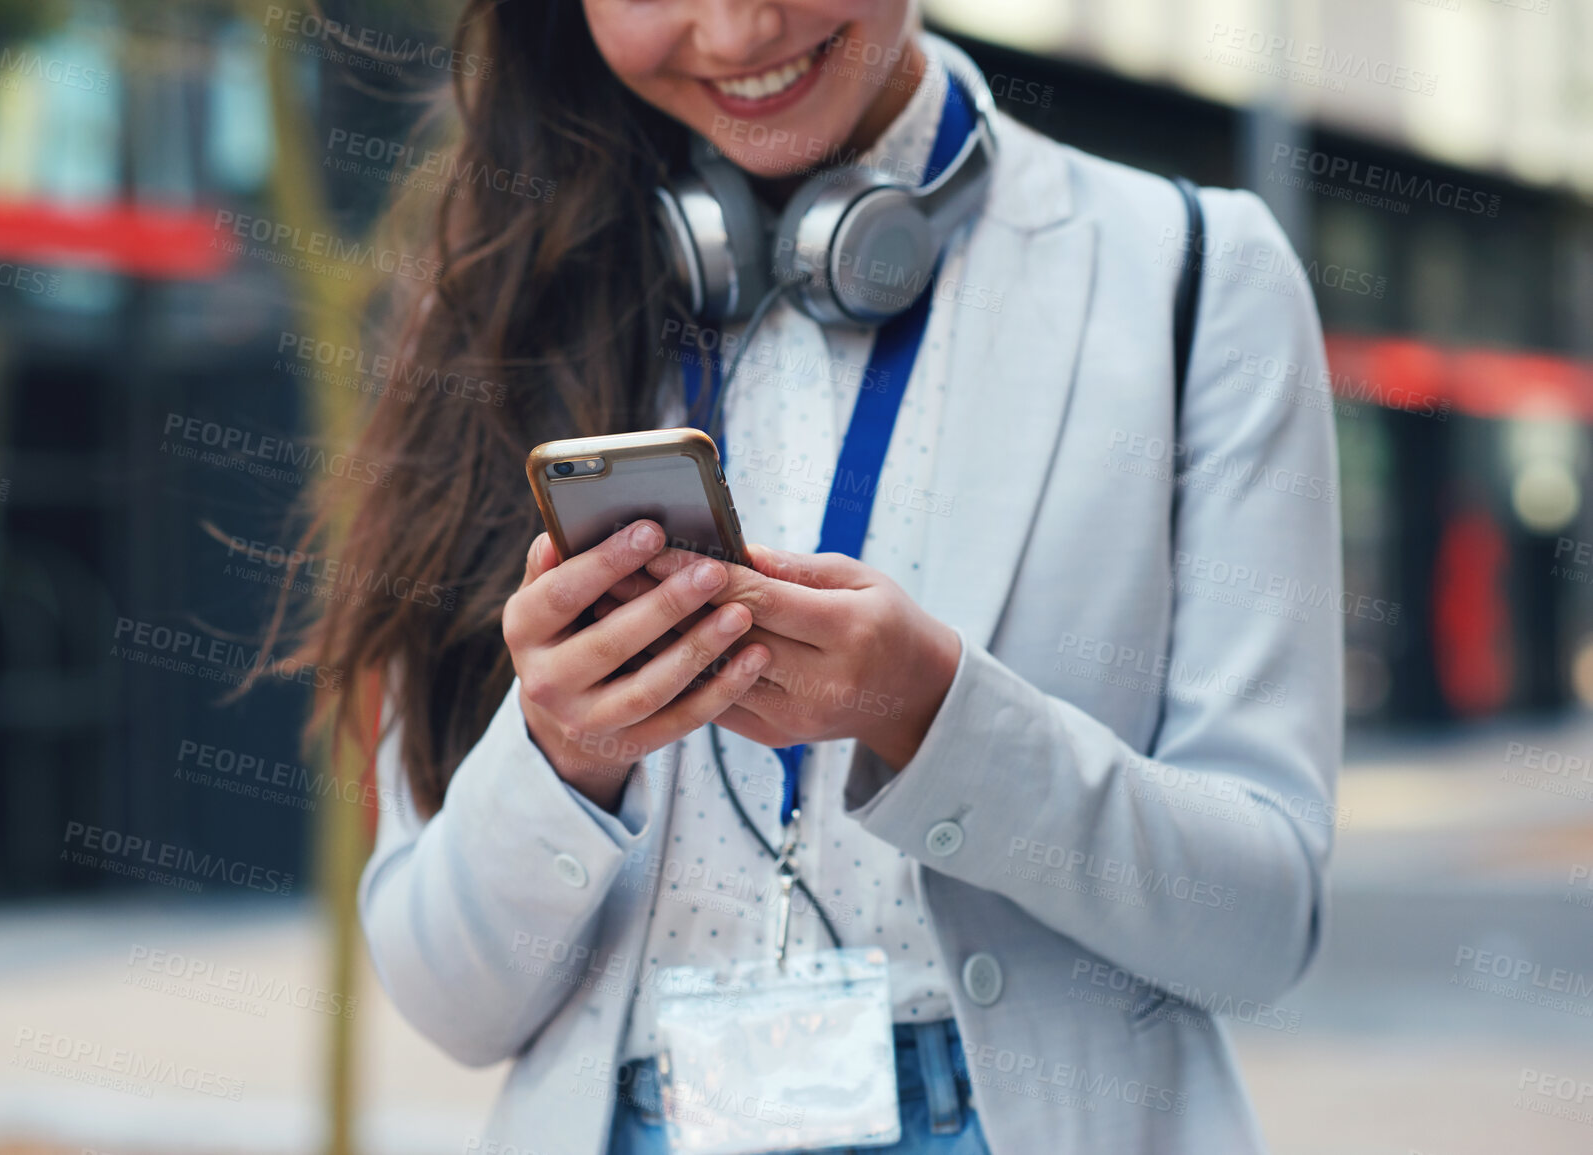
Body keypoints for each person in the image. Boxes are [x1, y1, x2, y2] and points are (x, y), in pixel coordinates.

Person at [297, 0, 1343, 1151]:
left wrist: (934, 715)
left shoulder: (1194, 275)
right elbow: (450, 1004)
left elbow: (1259, 927)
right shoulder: (495, 299)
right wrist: (562, 759)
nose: (740, 28)